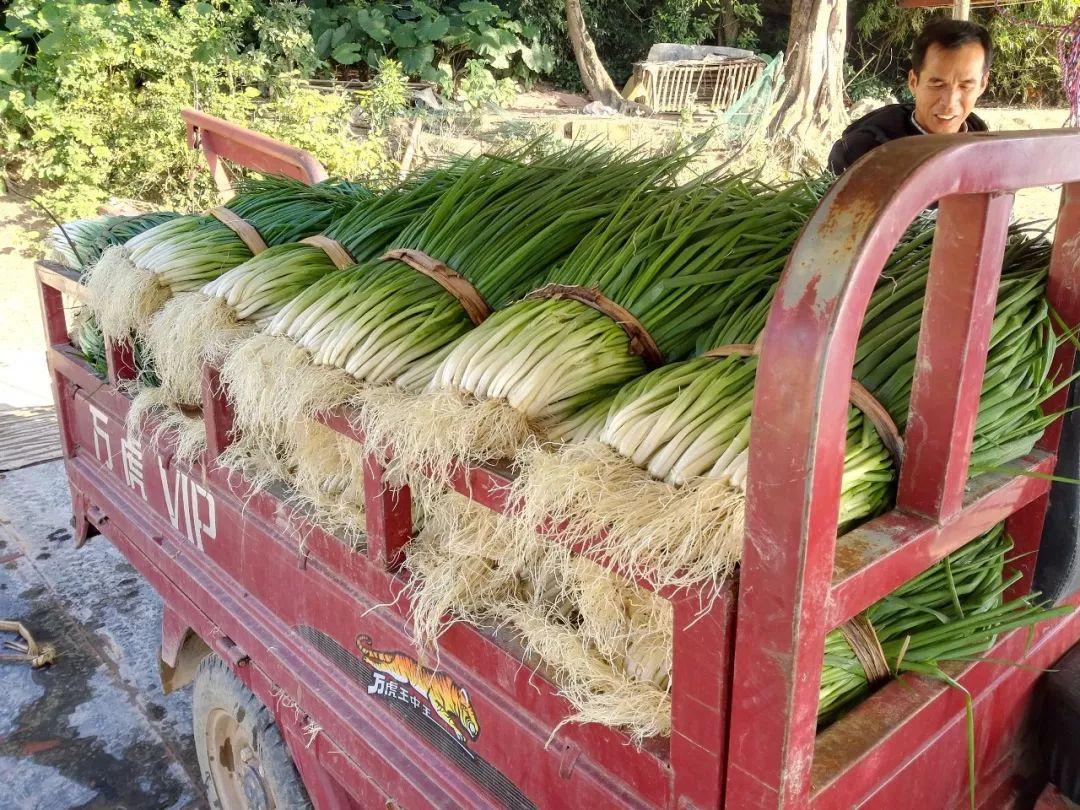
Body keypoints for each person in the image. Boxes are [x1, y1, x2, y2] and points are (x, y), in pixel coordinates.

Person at [828, 19, 993, 176]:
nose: (949, 102)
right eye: (937, 85)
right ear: (914, 82)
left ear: (982, 85)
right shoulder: (861, 154)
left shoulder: (988, 154)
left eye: (965, 86)